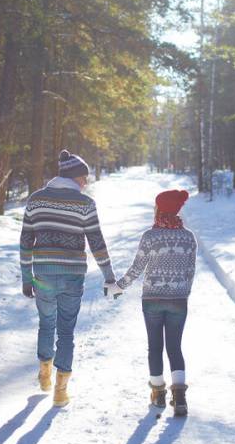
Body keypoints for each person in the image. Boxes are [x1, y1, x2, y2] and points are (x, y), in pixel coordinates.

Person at [19, 149, 116, 407]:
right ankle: (61, 391)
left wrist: (26, 277)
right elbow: (96, 242)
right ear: (75, 177)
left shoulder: (36, 200)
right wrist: (109, 276)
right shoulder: (85, 204)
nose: (86, 183)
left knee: (46, 324)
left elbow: (26, 241)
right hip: (73, 275)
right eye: (84, 177)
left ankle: (44, 371)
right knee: (66, 331)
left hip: (43, 274)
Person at [106, 189, 196, 416]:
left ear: (159, 209)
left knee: (155, 347)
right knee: (175, 347)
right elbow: (190, 271)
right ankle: (180, 397)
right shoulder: (189, 238)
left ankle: (158, 394)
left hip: (152, 300)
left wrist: (119, 286)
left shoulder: (150, 237)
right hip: (178, 300)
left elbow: (137, 268)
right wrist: (183, 293)